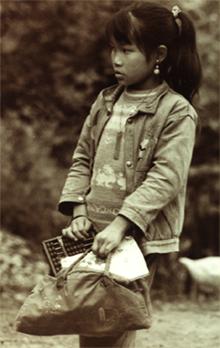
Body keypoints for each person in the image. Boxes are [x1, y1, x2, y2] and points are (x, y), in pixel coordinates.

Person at [58, 1, 202, 347]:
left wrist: (122, 225)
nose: (116, 60)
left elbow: (166, 177)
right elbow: (83, 159)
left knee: (114, 321)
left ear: (159, 55)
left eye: (127, 50)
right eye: (113, 49)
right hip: (93, 231)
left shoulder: (176, 112)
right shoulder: (106, 101)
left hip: (136, 235)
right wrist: (78, 211)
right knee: (90, 317)